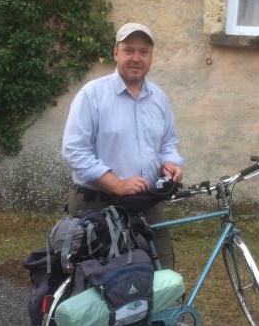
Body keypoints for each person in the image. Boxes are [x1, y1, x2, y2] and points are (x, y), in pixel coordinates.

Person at [61, 22, 183, 270]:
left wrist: (169, 163)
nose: (136, 58)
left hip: (147, 206)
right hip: (97, 206)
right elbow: (74, 150)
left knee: (161, 277)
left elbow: (167, 143)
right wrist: (116, 184)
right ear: (116, 53)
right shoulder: (92, 95)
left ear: (151, 56)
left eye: (143, 51)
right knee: (99, 282)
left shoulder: (158, 98)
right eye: (129, 50)